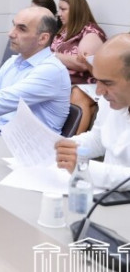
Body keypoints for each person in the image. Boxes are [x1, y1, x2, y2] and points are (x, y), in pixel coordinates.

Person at [55, 34, 130, 190]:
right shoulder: (111, 101)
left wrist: (85, 169)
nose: (99, 91)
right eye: (97, 80)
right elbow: (99, 139)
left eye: (107, 83)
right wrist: (66, 147)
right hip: (106, 194)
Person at [0, 0, 58, 95]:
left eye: (22, 29)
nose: (10, 34)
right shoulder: (11, 62)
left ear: (43, 38)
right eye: (14, 25)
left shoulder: (51, 70)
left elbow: (5, 100)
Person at [52, 0, 106, 85]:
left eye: (63, 9)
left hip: (78, 87)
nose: (59, 14)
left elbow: (83, 64)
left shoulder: (90, 31)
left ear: (75, 11)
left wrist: (54, 56)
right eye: (59, 9)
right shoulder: (64, 30)